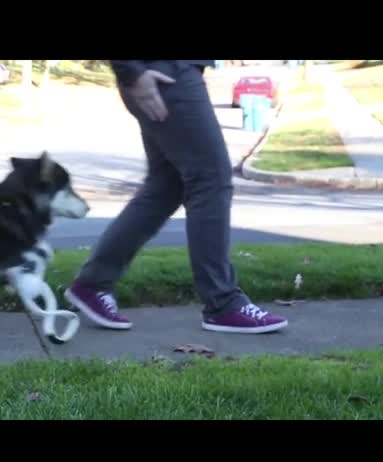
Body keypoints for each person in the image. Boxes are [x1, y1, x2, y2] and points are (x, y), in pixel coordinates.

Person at [64, 60, 288, 334]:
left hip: (165, 73)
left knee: (165, 186)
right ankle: (223, 303)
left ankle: (93, 283)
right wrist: (131, 71)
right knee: (211, 178)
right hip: (165, 73)